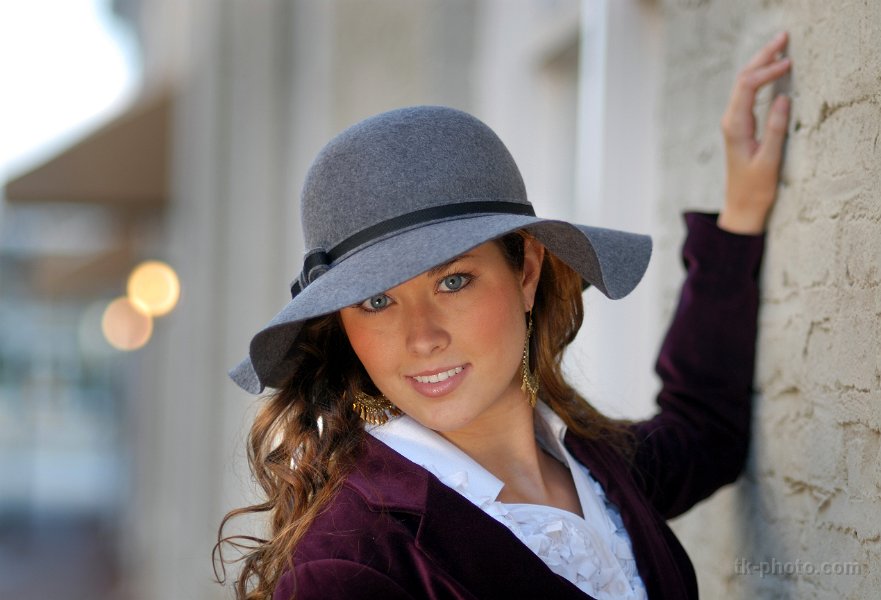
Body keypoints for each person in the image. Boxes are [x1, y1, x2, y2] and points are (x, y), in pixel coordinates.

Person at [216, 32, 792, 600]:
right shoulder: (348, 567)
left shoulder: (594, 466)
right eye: (376, 301)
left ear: (527, 272)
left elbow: (705, 428)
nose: (422, 338)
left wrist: (741, 214)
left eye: (453, 281)